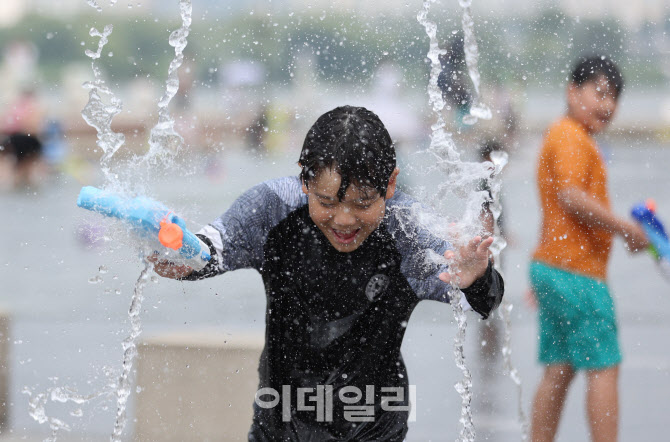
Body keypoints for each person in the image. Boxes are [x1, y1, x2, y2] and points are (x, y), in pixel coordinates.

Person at [151, 106, 504, 441]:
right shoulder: (272, 210)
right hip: (279, 422)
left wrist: (477, 277)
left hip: (374, 425)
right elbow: (210, 249)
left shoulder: (408, 231)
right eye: (327, 201)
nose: (345, 219)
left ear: (391, 184)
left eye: (363, 203)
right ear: (304, 178)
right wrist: (180, 256)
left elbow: (487, 301)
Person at [528, 56, 649, 442]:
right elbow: (570, 196)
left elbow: (560, 205)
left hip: (552, 267)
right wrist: (625, 228)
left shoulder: (563, 135)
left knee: (559, 367)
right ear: (571, 90)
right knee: (604, 365)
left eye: (614, 98)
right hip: (577, 274)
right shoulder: (570, 136)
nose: (607, 105)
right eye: (599, 93)